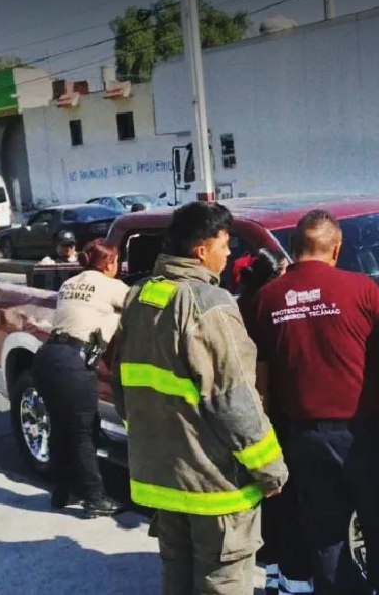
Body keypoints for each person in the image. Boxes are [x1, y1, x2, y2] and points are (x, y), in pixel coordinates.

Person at [112, 201, 289, 595]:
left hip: (166, 481)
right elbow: (234, 401)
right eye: (225, 245)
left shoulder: (140, 297)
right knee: (222, 583)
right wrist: (271, 469)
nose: (229, 256)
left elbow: (125, 389)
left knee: (177, 579)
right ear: (201, 249)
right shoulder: (210, 307)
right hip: (214, 488)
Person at [251, 210, 379, 595]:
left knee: (324, 533)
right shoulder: (363, 290)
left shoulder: (264, 299)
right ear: (336, 248)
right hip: (363, 434)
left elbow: (260, 381)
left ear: (293, 248)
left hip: (302, 438)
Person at [37, 239, 129, 518]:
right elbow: (141, 307)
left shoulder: (69, 283)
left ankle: (62, 492)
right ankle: (95, 498)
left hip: (47, 357)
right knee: (84, 432)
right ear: (109, 263)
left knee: (61, 428)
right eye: (117, 261)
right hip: (74, 363)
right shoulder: (112, 286)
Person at [237, 249, 310, 595]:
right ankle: (292, 584)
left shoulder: (242, 308)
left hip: (256, 422)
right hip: (275, 418)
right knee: (291, 505)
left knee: (274, 510)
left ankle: (274, 578)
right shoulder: (269, 307)